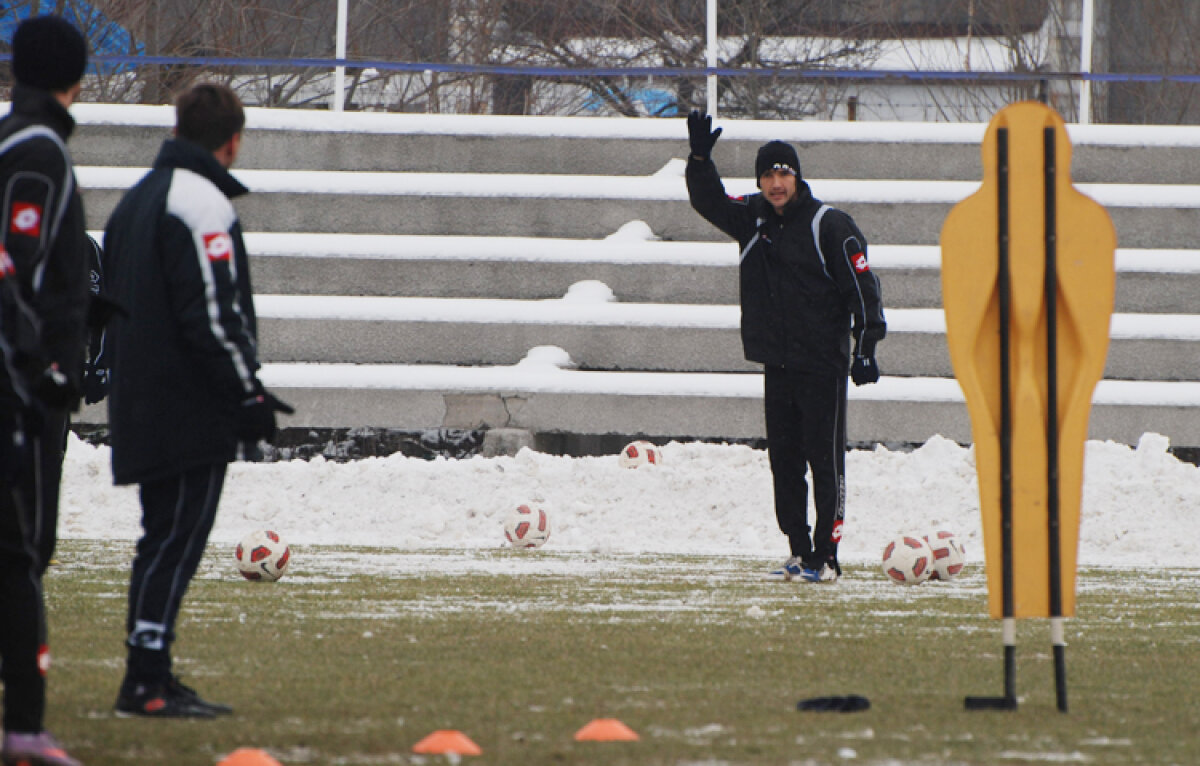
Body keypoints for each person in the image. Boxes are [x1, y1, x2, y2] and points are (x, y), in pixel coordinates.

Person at [102, 82, 292, 718]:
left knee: (161, 539)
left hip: (138, 398)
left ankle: (149, 672)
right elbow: (213, 315)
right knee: (176, 540)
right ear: (232, 140)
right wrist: (248, 393)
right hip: (184, 406)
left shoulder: (136, 200)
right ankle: (146, 683)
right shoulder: (201, 201)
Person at [685, 110, 886, 583]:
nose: (776, 183)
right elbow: (710, 201)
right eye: (768, 174)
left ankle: (827, 556)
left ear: (797, 178)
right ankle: (799, 551)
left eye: (784, 174)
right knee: (786, 464)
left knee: (824, 461)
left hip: (822, 365)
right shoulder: (753, 218)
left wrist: (866, 345)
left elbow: (863, 286)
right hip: (777, 363)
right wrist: (698, 159)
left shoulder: (828, 224)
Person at [0, 15, 92, 766]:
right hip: (19, 392)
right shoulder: (38, 150)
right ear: (76, 77)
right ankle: (24, 725)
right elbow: (16, 266)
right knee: (20, 551)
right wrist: (43, 366)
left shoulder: (18, 139)